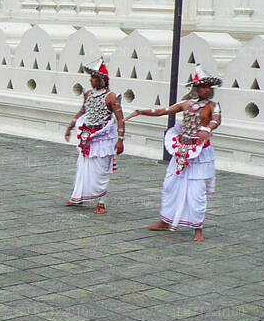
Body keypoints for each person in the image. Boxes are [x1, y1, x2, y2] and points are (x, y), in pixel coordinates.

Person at [125, 67, 223, 242]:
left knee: (196, 192)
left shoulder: (213, 106)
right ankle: (165, 220)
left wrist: (207, 129)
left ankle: (197, 228)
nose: (207, 90)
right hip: (182, 150)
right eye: (204, 86)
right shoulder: (185, 104)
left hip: (199, 153)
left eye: (209, 87)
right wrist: (141, 112)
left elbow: (216, 120)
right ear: (195, 88)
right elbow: (162, 111)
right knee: (170, 185)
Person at [62, 59, 125, 213]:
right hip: (87, 136)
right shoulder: (88, 94)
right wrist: (71, 125)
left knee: (101, 170)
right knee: (83, 168)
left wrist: (120, 140)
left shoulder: (111, 97)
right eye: (91, 77)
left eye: (94, 78)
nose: (91, 80)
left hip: (103, 137)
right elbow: (83, 111)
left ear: (102, 79)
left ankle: (101, 202)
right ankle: (78, 196)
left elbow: (120, 119)